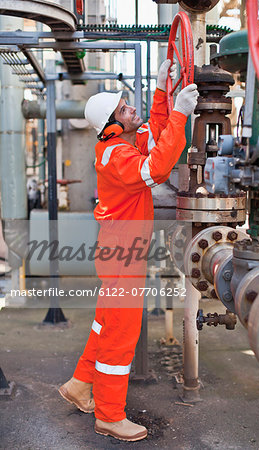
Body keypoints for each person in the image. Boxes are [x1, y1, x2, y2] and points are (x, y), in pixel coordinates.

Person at [58, 59, 198, 442]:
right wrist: (183, 115)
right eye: (124, 108)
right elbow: (157, 167)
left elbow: (153, 134)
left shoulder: (118, 145)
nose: (130, 108)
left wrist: (161, 91)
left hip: (118, 248)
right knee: (121, 333)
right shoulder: (118, 156)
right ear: (112, 125)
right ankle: (109, 415)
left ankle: (79, 385)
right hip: (124, 253)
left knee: (105, 323)